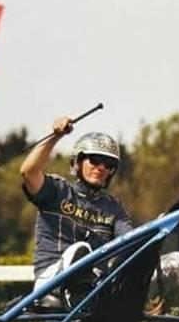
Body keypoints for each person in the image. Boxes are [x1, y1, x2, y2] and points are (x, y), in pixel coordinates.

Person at [20, 116, 133, 306]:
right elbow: (28, 172)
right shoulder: (57, 191)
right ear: (77, 162)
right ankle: (73, 291)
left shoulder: (114, 208)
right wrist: (55, 136)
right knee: (81, 250)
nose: (101, 168)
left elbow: (130, 241)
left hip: (94, 286)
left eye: (109, 165)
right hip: (50, 282)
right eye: (95, 160)